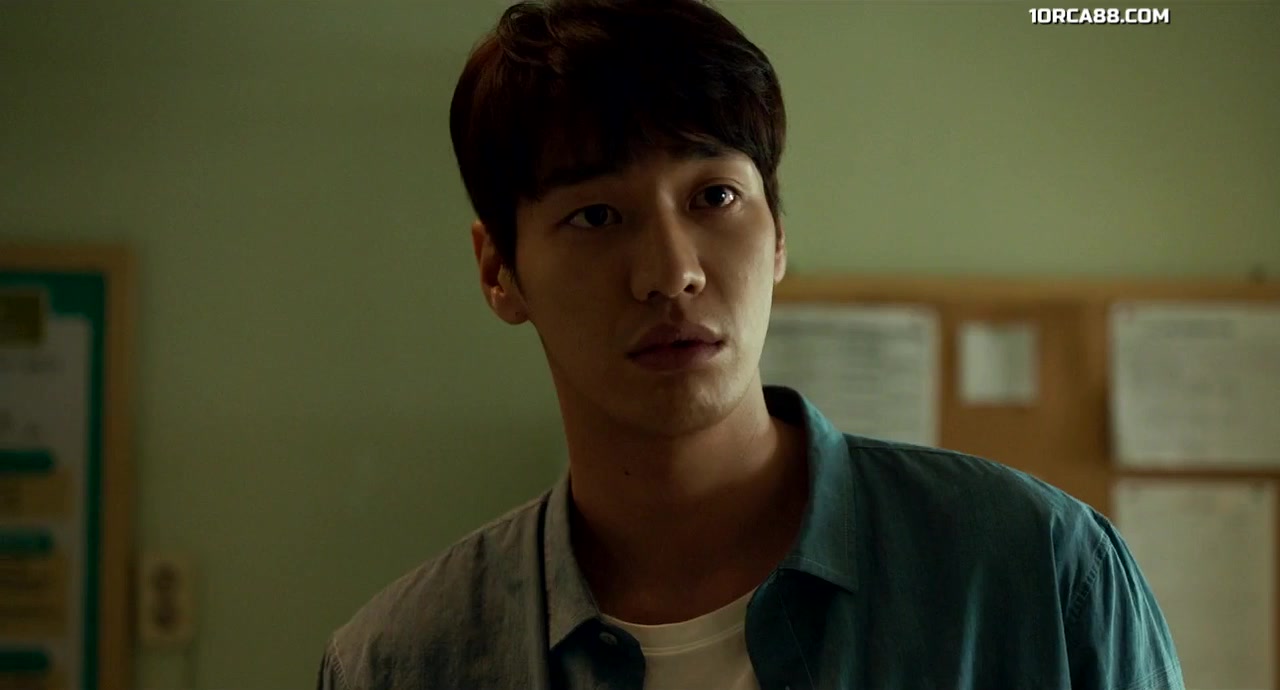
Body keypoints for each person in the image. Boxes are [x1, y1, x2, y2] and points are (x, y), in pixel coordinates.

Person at [317, 1, 1184, 688]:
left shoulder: (1036, 571)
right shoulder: (400, 662)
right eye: (596, 215)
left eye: (715, 198)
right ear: (498, 271)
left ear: (777, 236)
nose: (671, 274)